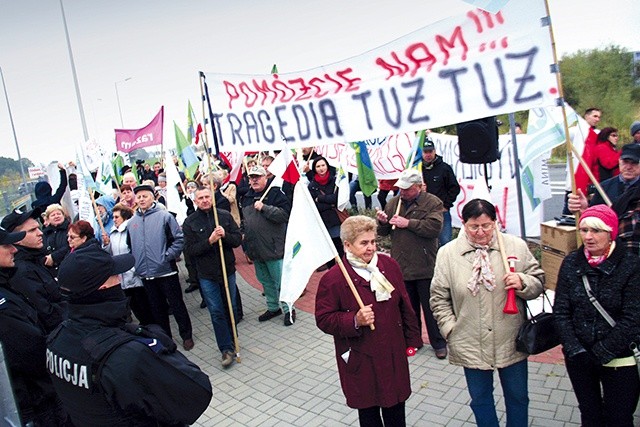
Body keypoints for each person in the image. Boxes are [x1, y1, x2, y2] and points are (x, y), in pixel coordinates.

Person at [47, 239, 212, 426]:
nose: (120, 280)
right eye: (114, 275)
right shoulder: (128, 355)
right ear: (103, 288)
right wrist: (162, 346)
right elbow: (197, 393)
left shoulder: (56, 339)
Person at [430, 198, 544, 426]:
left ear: (495, 222)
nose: (481, 232)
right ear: (463, 224)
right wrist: (451, 329)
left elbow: (539, 281)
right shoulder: (448, 254)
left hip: (511, 339)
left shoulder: (515, 246)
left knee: (518, 397)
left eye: (486, 225)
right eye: (474, 226)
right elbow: (438, 298)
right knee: (480, 399)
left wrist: (522, 282)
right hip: (469, 340)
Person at [315, 215, 421, 426]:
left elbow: (405, 306)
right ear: (347, 245)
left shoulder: (389, 266)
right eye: (364, 243)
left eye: (373, 241)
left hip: (392, 353)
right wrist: (353, 320)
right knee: (369, 413)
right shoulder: (334, 278)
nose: (371, 248)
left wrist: (412, 341)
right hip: (361, 357)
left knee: (396, 410)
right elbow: (324, 319)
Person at [553, 205, 640, 427]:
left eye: (596, 230)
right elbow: (561, 311)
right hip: (579, 358)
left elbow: (633, 317)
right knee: (590, 415)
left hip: (619, 357)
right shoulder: (572, 262)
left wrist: (602, 351)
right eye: (584, 230)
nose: (589, 237)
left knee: (619, 418)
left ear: (610, 232)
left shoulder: (631, 265)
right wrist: (575, 350)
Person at [0, 227, 68, 426]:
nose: (14, 250)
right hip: (35, 399)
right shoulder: (4, 302)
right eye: (6, 245)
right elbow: (30, 350)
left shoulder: (7, 284)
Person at [376, 169, 447, 358]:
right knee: (409, 308)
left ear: (418, 187)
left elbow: (434, 228)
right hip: (401, 265)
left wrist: (408, 223)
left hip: (424, 263)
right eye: (401, 188)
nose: (403, 192)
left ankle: (438, 342)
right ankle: (413, 340)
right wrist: (382, 222)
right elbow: (384, 232)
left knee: (430, 308)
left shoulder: (432, 202)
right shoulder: (393, 202)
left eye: (407, 189)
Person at [128, 184, 194, 350]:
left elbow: (179, 239)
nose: (142, 199)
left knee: (177, 305)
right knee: (157, 309)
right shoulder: (132, 222)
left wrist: (166, 257)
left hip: (166, 271)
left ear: (153, 197)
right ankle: (166, 338)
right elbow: (130, 246)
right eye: (139, 197)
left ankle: (186, 335)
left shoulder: (165, 216)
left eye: (145, 196)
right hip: (146, 274)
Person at [183, 187, 242, 367]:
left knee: (230, 307)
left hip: (227, 271)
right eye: (200, 198)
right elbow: (190, 250)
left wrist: (225, 236)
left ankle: (234, 342)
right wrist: (209, 241)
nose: (204, 200)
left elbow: (238, 240)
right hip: (206, 274)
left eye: (207, 196)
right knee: (216, 311)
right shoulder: (190, 222)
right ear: (195, 201)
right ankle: (225, 349)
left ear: (212, 198)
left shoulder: (224, 216)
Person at [241, 166, 295, 325]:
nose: (254, 180)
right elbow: (246, 221)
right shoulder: (246, 197)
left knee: (280, 282)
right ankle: (273, 307)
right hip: (256, 250)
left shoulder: (276, 194)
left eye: (257, 177)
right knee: (265, 281)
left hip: (273, 248)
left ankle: (289, 309)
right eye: (251, 178)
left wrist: (265, 207)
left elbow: (284, 215)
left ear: (266, 177)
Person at [1, 208, 65, 333]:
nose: (40, 233)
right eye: (32, 230)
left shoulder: (33, 259)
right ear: (16, 238)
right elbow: (47, 315)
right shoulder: (22, 271)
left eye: (38, 227)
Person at [102, 203, 154, 325]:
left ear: (124, 217)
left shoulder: (131, 230)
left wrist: (135, 269)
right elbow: (111, 253)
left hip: (135, 275)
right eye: (113, 217)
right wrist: (107, 244)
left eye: (116, 217)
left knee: (144, 306)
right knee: (135, 307)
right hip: (123, 278)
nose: (113, 220)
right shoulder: (113, 233)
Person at [421, 138, 460, 246]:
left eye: (430, 151)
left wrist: (446, 205)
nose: (428, 154)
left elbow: (454, 188)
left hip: (441, 211)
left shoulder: (444, 168)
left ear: (434, 151)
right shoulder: (418, 169)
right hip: (423, 212)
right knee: (427, 243)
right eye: (425, 152)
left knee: (445, 242)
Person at [562, 107, 602, 214]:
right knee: (570, 210)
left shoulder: (598, 133)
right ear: (586, 116)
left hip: (591, 177)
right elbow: (561, 133)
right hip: (576, 174)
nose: (597, 119)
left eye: (599, 117)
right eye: (595, 116)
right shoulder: (575, 131)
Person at [308, 156, 345, 268]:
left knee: (339, 248)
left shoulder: (335, 181)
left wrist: (321, 198)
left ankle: (344, 272)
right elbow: (315, 206)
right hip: (322, 222)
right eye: (318, 166)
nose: (321, 168)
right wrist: (329, 201)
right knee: (328, 251)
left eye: (323, 165)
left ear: (327, 166)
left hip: (335, 221)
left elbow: (337, 199)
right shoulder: (312, 186)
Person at [42, 203, 71, 276]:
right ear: (48, 219)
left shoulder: (70, 229)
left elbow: (71, 246)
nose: (56, 216)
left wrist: (54, 257)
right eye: (53, 215)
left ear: (63, 215)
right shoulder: (44, 234)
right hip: (51, 271)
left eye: (59, 214)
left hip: (68, 267)